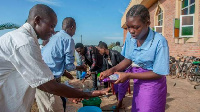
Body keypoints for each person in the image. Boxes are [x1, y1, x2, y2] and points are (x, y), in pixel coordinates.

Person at [0, 4, 107, 112]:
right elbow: (47, 84)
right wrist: (87, 94)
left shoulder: (28, 39)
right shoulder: (24, 43)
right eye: (51, 26)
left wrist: (68, 88)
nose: (52, 31)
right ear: (37, 20)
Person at [100, 4, 169, 112]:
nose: (131, 31)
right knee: (137, 108)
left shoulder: (159, 42)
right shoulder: (131, 37)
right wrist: (112, 70)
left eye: (136, 27)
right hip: (138, 82)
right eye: (128, 27)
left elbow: (159, 72)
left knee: (148, 108)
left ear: (147, 23)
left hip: (153, 85)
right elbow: (128, 59)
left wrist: (128, 75)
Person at [35, 17, 87, 112]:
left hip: (39, 78)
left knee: (45, 109)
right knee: (56, 108)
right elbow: (69, 66)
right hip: (49, 81)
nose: (74, 32)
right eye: (75, 29)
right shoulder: (68, 39)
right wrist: (79, 68)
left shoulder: (54, 37)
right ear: (72, 27)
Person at [97, 42, 129, 111]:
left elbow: (124, 64)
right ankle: (119, 103)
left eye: (99, 50)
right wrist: (102, 74)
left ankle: (118, 106)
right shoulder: (105, 56)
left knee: (120, 89)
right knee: (116, 89)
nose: (99, 52)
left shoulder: (115, 53)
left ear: (103, 48)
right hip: (115, 75)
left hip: (122, 73)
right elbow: (105, 67)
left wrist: (124, 75)